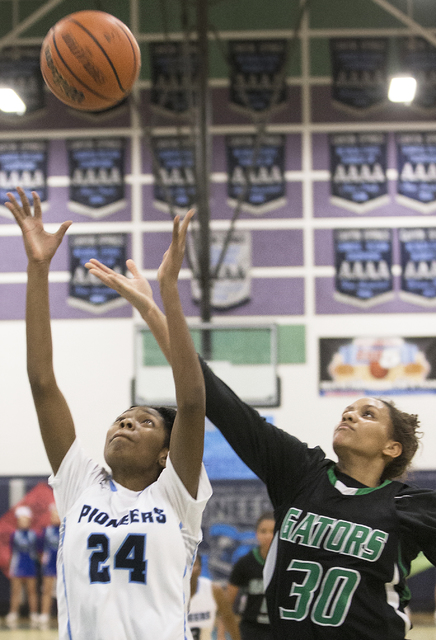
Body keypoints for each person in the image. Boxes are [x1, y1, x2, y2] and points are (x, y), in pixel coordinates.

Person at [84, 257, 436, 640]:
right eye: (347, 410)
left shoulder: (408, 506)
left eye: (367, 414)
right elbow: (214, 395)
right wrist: (152, 307)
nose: (349, 416)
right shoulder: (302, 472)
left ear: (392, 447)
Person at [7, 187, 211, 640]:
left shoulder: (177, 496)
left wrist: (168, 292)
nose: (126, 423)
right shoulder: (81, 484)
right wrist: (38, 268)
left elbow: (193, 400)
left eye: (145, 422)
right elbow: (42, 383)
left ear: (166, 453)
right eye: (123, 417)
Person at [227, 512, 274, 640]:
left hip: (278, 630)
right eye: (263, 531)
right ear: (256, 534)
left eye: (273, 531)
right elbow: (227, 603)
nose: (268, 536)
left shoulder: (286, 563)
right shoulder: (245, 563)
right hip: (251, 630)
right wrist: (221, 635)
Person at [188, 554, 241, 640]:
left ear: (200, 570)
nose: (188, 569)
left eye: (192, 565)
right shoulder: (169, 593)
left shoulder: (213, 590)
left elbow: (229, 618)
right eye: (185, 565)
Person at [6, 505, 39, 630]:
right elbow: (11, 552)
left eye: (25, 519)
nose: (23, 522)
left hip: (30, 565)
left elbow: (38, 552)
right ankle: (13, 612)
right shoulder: (14, 535)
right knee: (15, 592)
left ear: (29, 520)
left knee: (32, 591)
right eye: (21, 520)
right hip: (17, 565)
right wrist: (11, 567)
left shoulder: (34, 535)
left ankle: (34, 613)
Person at [39, 503, 60, 630]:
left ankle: (62, 614)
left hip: (62, 564)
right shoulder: (46, 531)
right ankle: (44, 614)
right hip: (50, 565)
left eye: (57, 514)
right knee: (47, 590)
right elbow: (40, 549)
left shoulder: (66, 528)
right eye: (53, 514)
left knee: (63, 591)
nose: (55, 517)